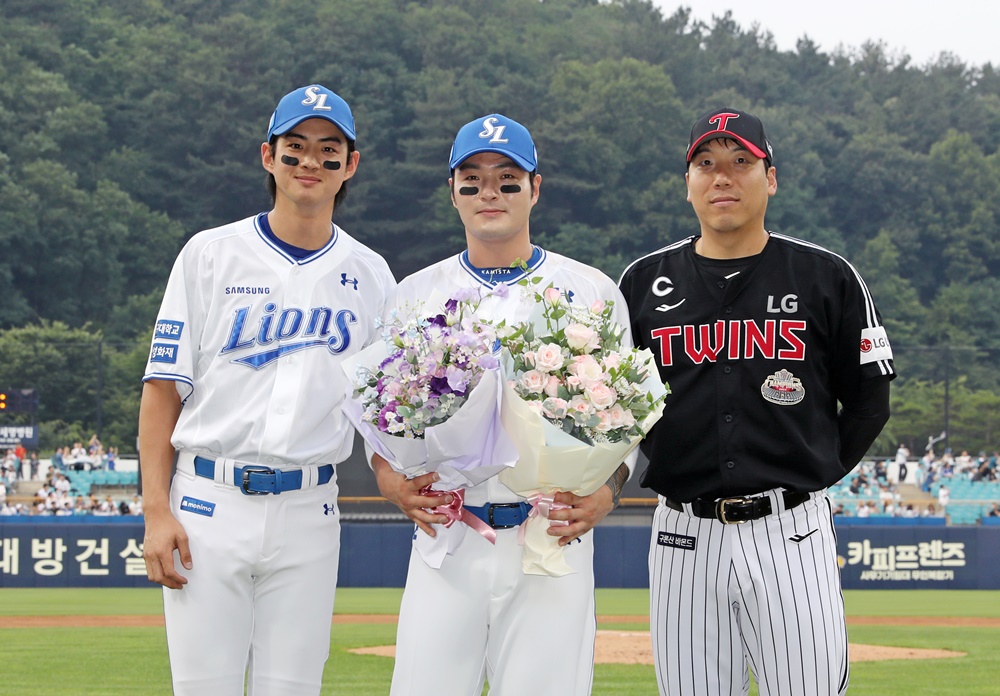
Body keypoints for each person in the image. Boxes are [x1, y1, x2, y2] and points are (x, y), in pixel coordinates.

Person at [618, 108, 895, 696]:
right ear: (687, 181)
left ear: (771, 177)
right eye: (706, 164)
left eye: (742, 162)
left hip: (790, 533)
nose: (723, 177)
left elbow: (871, 401)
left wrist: (809, 472)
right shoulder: (641, 283)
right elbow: (615, 412)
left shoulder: (827, 276)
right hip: (681, 537)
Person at [138, 84, 395, 695]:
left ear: (350, 165)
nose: (311, 160)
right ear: (268, 155)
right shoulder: (210, 254)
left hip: (310, 508)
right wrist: (154, 510)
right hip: (207, 501)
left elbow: (384, 411)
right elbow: (161, 389)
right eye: (295, 146)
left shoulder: (372, 274)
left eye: (328, 149)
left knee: (294, 687)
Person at [372, 113, 634, 695]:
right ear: (453, 190)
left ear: (535, 188)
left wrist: (608, 492)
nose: (489, 192)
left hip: (550, 536)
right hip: (448, 535)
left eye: (507, 177)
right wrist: (390, 479)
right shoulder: (413, 295)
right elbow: (379, 417)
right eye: (472, 178)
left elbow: (625, 422)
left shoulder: (590, 291)